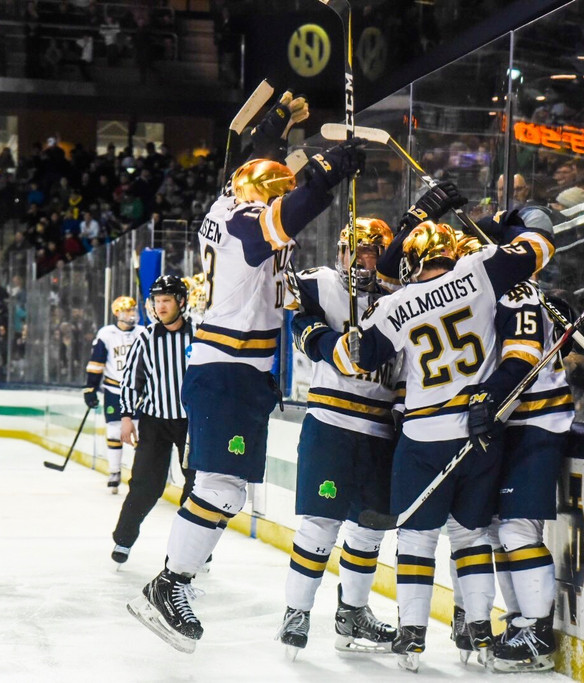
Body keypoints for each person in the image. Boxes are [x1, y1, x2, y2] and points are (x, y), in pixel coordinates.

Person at [128, 91, 365, 654]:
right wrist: (327, 172)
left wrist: (281, 124)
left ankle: (173, 578)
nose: (281, 195)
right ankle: (169, 583)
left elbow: (260, 168)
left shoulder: (228, 204)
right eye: (275, 190)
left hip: (238, 371)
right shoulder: (244, 223)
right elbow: (288, 209)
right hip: (228, 368)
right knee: (218, 487)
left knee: (226, 490)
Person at [294, 218, 555, 672]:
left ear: (411, 262)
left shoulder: (398, 301)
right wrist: (507, 226)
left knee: (416, 538)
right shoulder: (479, 270)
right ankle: (477, 629)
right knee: (472, 536)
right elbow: (539, 246)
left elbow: (362, 356)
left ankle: (412, 635)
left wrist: (330, 332)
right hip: (480, 433)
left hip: (423, 436)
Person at [276, 218, 400, 659]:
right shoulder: (324, 284)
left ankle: (353, 614)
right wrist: (330, 344)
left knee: (369, 529)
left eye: (371, 252)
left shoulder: (402, 300)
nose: (360, 260)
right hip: (330, 424)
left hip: (381, 430)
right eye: (354, 250)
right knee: (319, 525)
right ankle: (296, 613)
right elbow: (299, 321)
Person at [470, 279, 574, 672]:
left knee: (516, 528)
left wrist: (485, 397)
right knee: (499, 528)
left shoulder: (519, 293)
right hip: (511, 421)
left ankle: (537, 632)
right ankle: (519, 623)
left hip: (538, 418)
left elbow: (523, 360)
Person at [111, 277, 193, 564]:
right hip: (154, 421)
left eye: (167, 300)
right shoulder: (146, 337)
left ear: (182, 302)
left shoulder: (199, 335)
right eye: (157, 301)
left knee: (196, 486)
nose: (161, 306)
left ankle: (192, 549)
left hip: (191, 423)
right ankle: (123, 540)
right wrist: (126, 416)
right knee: (145, 484)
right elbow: (131, 381)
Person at [83, 295, 141, 493]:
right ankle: (114, 471)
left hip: (138, 391)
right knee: (114, 431)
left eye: (133, 310)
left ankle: (139, 475)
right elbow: (96, 363)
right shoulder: (106, 334)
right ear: (117, 313)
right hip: (114, 389)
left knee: (140, 433)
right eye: (127, 311)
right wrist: (91, 388)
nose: (132, 315)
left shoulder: (144, 333)